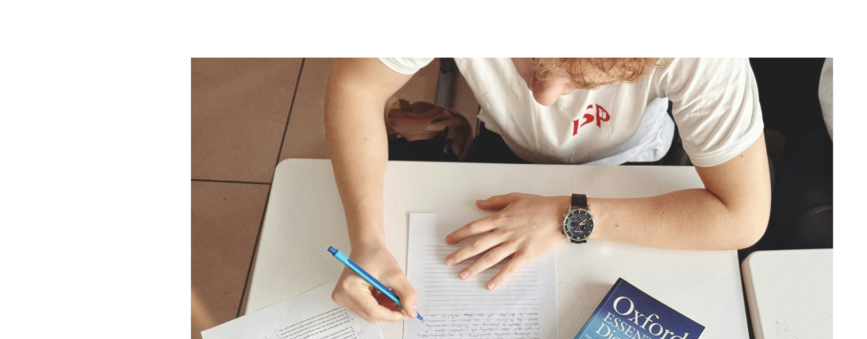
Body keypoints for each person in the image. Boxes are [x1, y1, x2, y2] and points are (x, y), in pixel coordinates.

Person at [325, 58, 770, 323]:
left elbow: (743, 217)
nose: (544, 98)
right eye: (531, 60)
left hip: (635, 163)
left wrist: (566, 217)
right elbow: (355, 85)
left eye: (581, 80)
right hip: (506, 145)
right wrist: (367, 242)